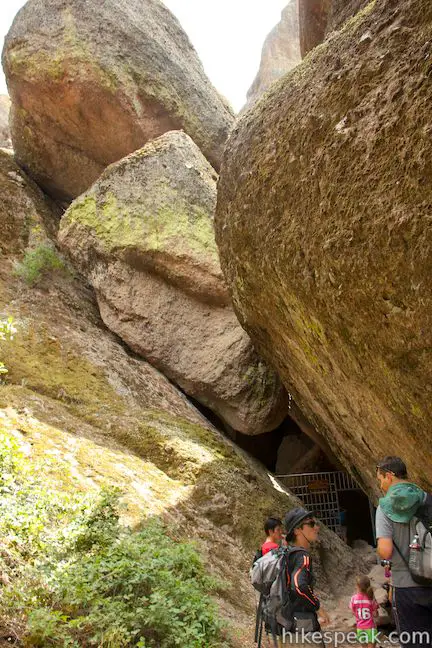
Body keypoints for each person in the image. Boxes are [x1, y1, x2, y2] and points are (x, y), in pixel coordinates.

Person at [375, 456, 432, 648]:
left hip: (406, 586)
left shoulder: (384, 508)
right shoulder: (427, 499)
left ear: (389, 476)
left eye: (381, 479)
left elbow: (385, 550)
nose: (381, 485)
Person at [284, 507, 330, 634]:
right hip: (303, 622)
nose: (316, 527)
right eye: (311, 524)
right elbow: (299, 586)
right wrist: (317, 606)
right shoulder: (302, 556)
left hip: (288, 622)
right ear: (297, 530)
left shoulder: (288, 553)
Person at [350, 575, 378, 647]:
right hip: (370, 628)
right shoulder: (371, 599)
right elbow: (375, 614)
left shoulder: (353, 599)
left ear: (357, 586)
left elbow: (353, 612)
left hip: (360, 628)